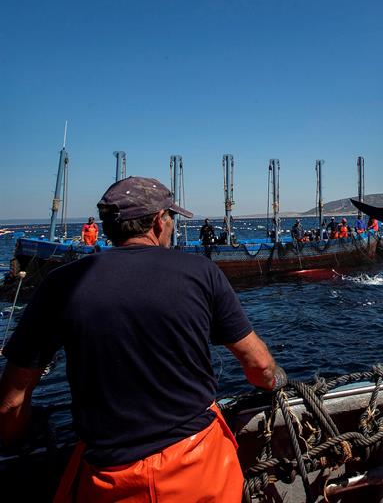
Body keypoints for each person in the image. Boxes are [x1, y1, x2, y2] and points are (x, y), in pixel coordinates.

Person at [0, 176, 286, 503]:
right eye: (172, 217)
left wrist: (17, 439)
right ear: (158, 221)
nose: (172, 226)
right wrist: (276, 380)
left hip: (108, 481)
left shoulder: (60, 283)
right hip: (200, 472)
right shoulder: (200, 272)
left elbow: (10, 403)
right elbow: (259, 365)